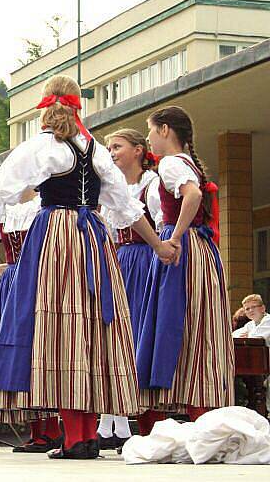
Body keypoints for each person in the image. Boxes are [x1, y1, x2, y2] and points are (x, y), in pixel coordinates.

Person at [0, 75, 174, 460]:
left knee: (60, 332)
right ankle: (86, 435)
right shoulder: (95, 150)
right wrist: (159, 245)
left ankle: (73, 437)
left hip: (55, 237)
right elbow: (127, 209)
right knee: (91, 332)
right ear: (77, 106)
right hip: (94, 238)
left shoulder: (39, 148)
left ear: (45, 108)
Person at [135, 105, 234, 434]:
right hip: (201, 249)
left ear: (164, 130)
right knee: (199, 325)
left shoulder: (171, 164)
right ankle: (203, 407)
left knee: (180, 324)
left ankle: (194, 412)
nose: (149, 137)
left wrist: (174, 237)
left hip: (185, 248)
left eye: (150, 130)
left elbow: (190, 196)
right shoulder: (187, 163)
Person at [0, 191, 63, 453]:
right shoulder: (4, 208)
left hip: (40, 281)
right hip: (14, 283)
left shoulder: (44, 206)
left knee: (39, 350)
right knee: (20, 355)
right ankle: (36, 430)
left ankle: (51, 429)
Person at [97, 128, 162, 448]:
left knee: (137, 333)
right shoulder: (113, 190)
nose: (111, 152)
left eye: (117, 147)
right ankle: (114, 422)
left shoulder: (151, 184)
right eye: (108, 147)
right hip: (119, 261)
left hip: (144, 259)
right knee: (116, 336)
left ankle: (139, 419)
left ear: (138, 150)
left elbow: (159, 225)